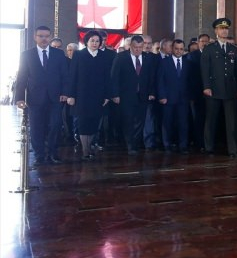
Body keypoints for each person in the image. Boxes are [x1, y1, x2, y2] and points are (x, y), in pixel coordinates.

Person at [14, 26, 68, 165]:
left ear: (50, 37)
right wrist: (19, 98)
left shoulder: (59, 54)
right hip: (35, 98)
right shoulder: (27, 55)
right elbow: (22, 77)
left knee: (55, 125)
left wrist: (65, 92)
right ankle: (39, 155)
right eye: (40, 36)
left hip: (55, 97)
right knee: (37, 127)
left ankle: (52, 153)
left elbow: (65, 75)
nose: (44, 39)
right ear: (35, 37)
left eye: (46, 36)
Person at [65, 31, 111, 161]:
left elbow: (107, 77)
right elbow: (72, 76)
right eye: (92, 41)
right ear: (86, 42)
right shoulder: (79, 54)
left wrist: (107, 95)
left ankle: (90, 146)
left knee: (94, 123)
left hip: (98, 95)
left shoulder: (103, 56)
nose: (95, 43)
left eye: (97, 41)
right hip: (81, 95)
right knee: (83, 123)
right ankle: (85, 150)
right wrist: (71, 95)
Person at [201, 18, 237, 158]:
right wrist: (206, 86)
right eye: (221, 28)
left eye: (226, 28)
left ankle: (233, 150)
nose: (224, 30)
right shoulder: (209, 49)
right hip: (213, 89)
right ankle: (209, 148)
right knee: (211, 120)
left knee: (232, 122)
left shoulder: (233, 49)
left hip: (230, 89)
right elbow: (205, 70)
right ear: (216, 31)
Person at [110, 35, 157, 155]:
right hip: (126, 96)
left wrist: (151, 92)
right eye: (135, 47)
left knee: (140, 121)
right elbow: (114, 77)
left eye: (140, 47)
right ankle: (130, 145)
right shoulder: (121, 57)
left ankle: (135, 142)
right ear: (130, 46)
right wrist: (115, 94)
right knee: (128, 120)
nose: (138, 50)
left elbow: (151, 77)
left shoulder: (147, 58)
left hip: (143, 95)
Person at [156, 39, 192, 154]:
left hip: (183, 99)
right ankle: (167, 144)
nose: (178, 51)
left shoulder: (188, 62)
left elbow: (190, 82)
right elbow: (160, 80)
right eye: (176, 48)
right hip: (168, 98)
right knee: (167, 122)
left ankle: (183, 145)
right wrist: (162, 96)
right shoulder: (164, 62)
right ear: (172, 48)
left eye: (181, 49)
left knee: (183, 123)